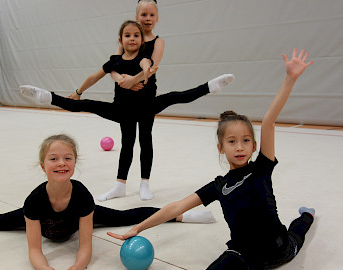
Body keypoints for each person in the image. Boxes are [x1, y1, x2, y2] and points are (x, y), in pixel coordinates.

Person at [107, 49, 316, 269]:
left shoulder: (261, 168)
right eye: (232, 142)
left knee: (299, 230)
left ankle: (308, 216)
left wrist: (289, 79)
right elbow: (177, 207)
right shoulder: (219, 186)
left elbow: (268, 122)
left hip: (279, 249)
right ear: (221, 147)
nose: (239, 147)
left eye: (246, 141)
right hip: (243, 253)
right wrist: (138, 228)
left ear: (255, 146)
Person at [0, 134, 216, 270]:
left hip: (76, 219)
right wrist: (44, 268)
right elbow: (34, 248)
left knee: (127, 216)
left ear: (75, 163)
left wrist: (79, 266)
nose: (61, 163)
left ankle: (183, 216)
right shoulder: (34, 200)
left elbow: (85, 245)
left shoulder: (82, 194)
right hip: (41, 223)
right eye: (53, 158)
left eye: (67, 158)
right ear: (42, 165)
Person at [20, 20, 234, 202]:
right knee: (91, 110)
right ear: (120, 40)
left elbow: (147, 70)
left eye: (136, 36)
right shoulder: (115, 61)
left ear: (142, 40)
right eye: (127, 35)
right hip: (122, 110)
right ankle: (46, 96)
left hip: (146, 107)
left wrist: (132, 80)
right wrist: (78, 91)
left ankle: (210, 87)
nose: (132, 39)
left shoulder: (144, 56)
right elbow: (95, 76)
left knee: (172, 102)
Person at [110, 0, 164, 92]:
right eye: (144, 15)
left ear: (157, 18)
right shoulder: (125, 40)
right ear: (136, 18)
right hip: (123, 93)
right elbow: (112, 68)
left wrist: (132, 80)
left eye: (152, 15)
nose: (148, 18)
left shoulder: (158, 42)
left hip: (145, 93)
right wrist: (123, 81)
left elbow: (151, 69)